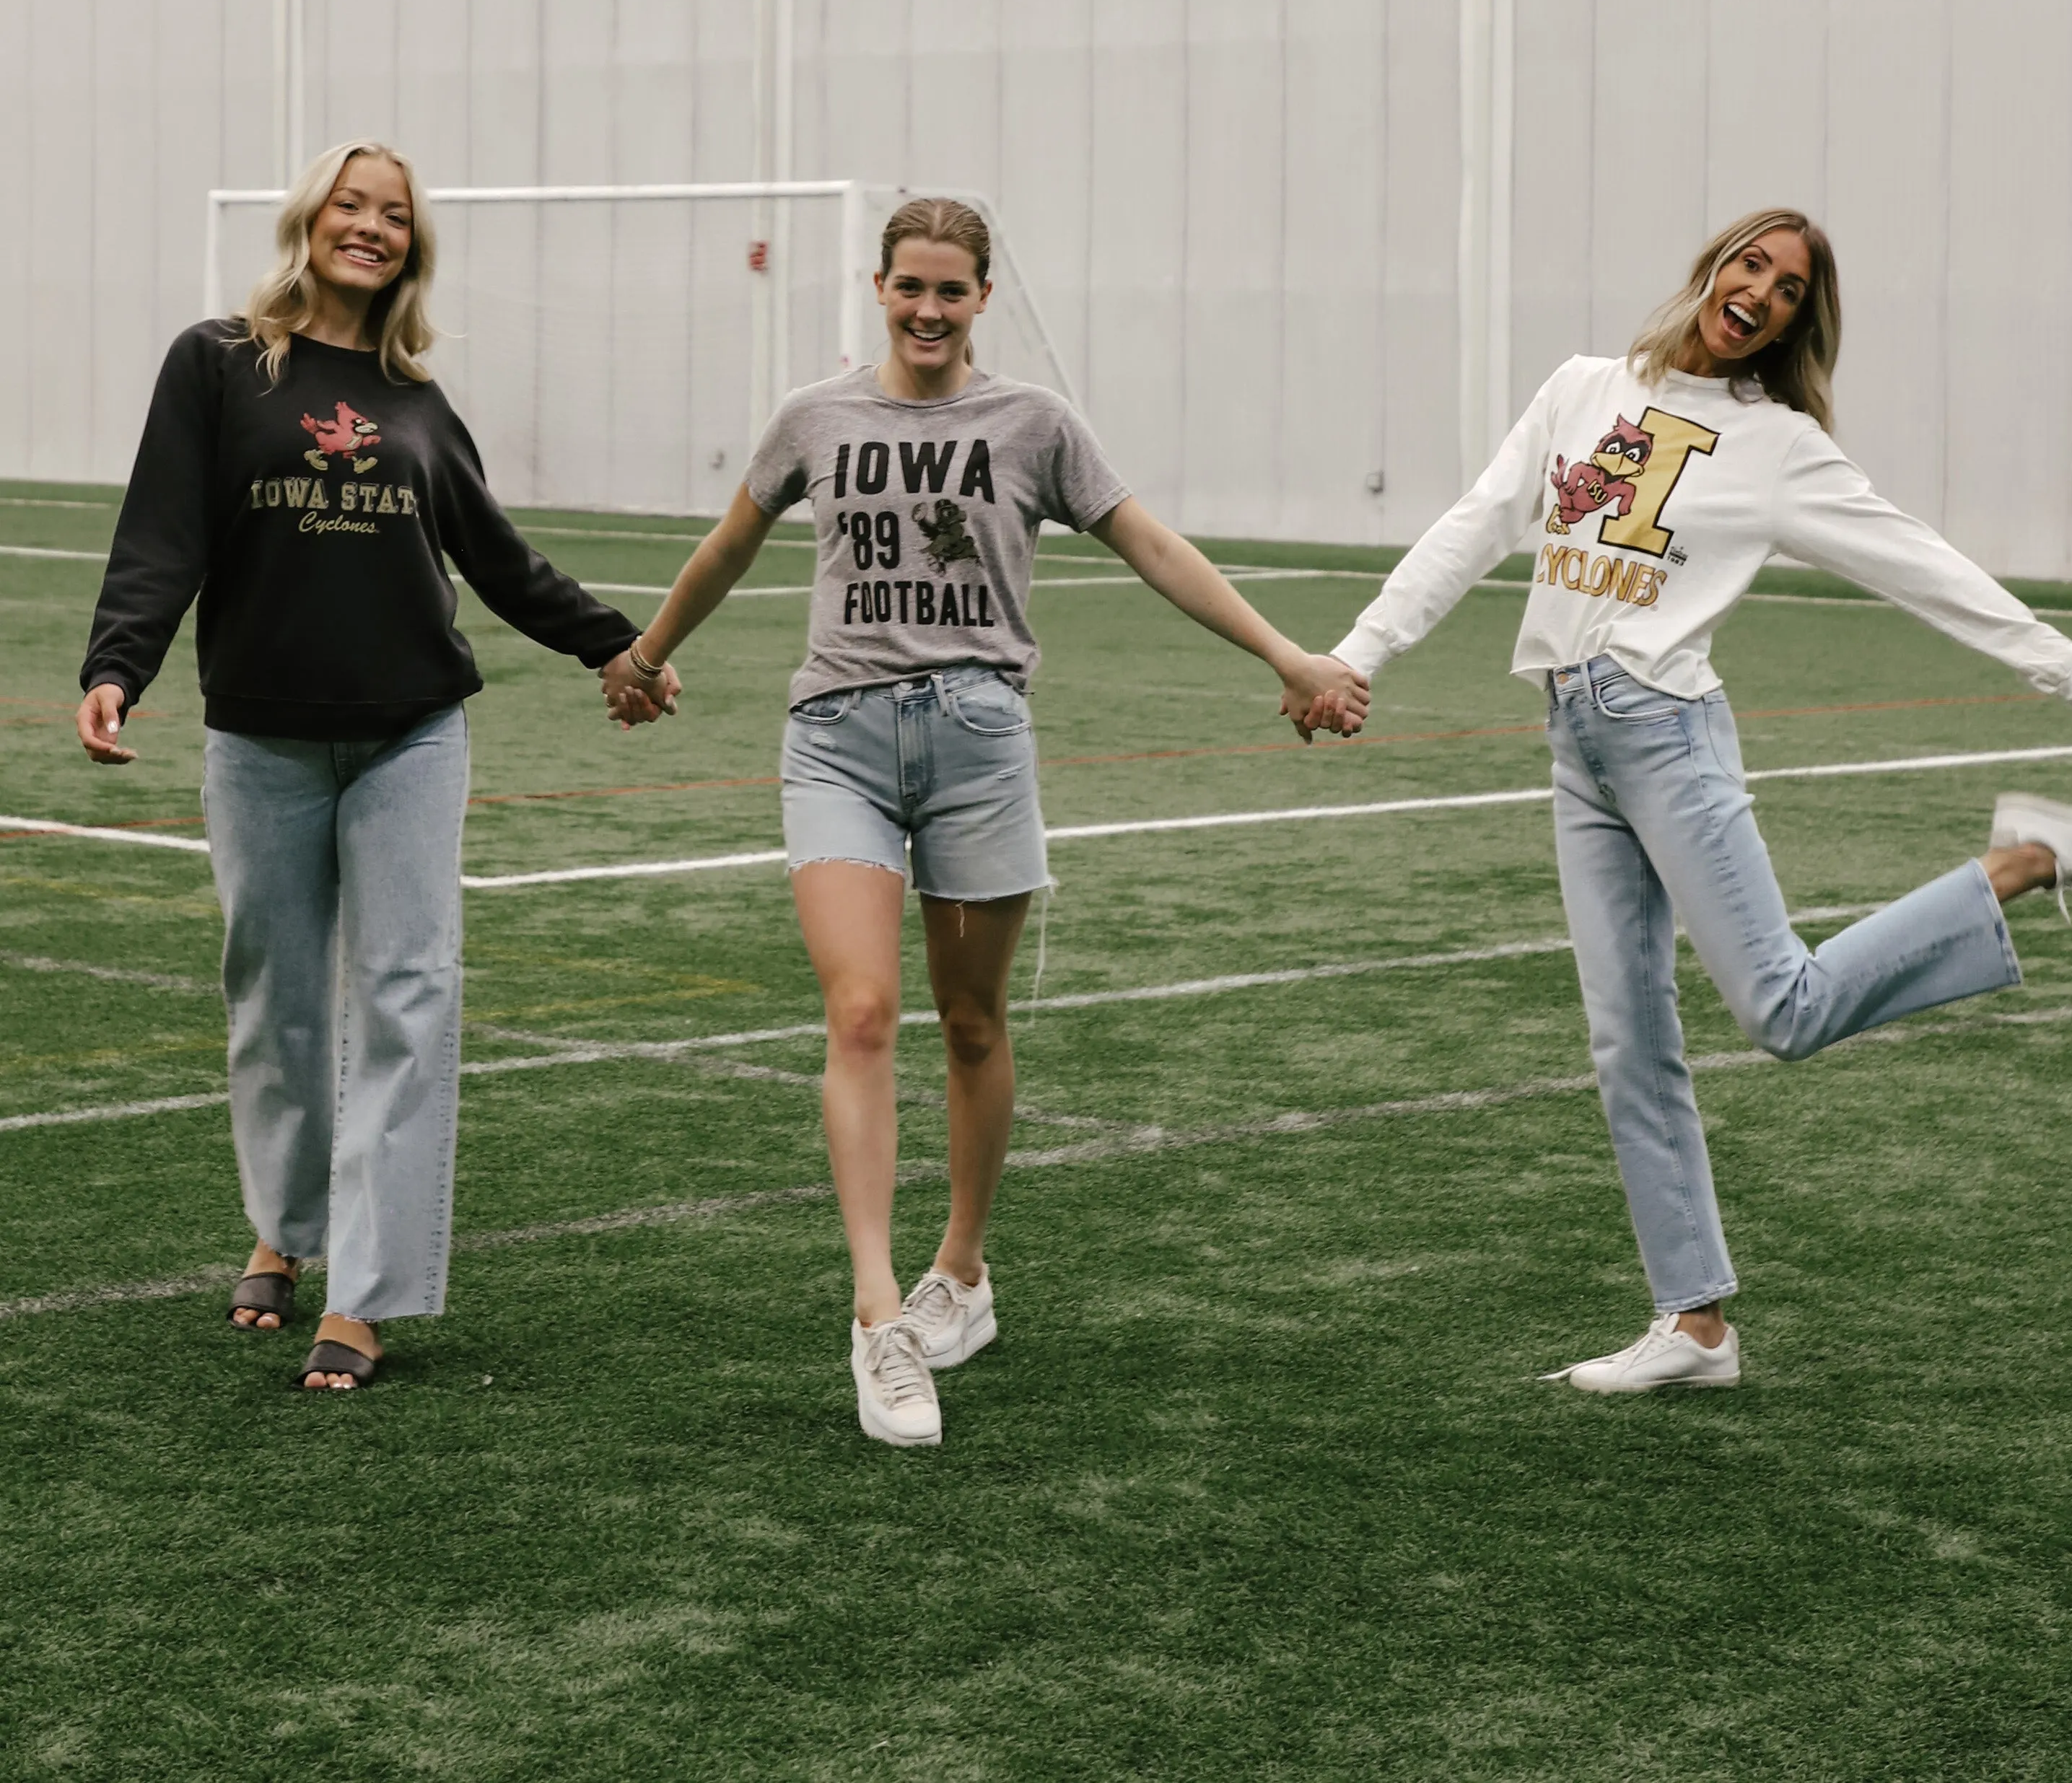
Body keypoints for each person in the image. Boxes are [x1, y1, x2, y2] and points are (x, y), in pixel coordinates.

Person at [1312, 206, 2072, 1394]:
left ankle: (2018, 862)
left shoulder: (1776, 447)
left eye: (1785, 288)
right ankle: (1695, 1327)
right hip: (1576, 740)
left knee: (1781, 1008)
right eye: (1749, 264)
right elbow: (1476, 523)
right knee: (1629, 1043)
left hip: (1668, 735)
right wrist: (1360, 652)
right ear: (1712, 268)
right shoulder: (1580, 387)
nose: (1759, 292)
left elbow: (1923, 566)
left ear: (1794, 323)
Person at [629, 191, 1365, 1447]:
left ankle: (959, 1276)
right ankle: (877, 1323)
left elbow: (1151, 544)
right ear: (878, 287)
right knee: (859, 1013)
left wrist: (1287, 657)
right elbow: (726, 547)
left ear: (980, 298)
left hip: (976, 739)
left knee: (971, 1021)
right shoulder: (815, 416)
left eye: (950, 291)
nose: (927, 310)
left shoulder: (1034, 423)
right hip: (837, 739)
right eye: (908, 287)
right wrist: (641, 654)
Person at [76, 140, 678, 1391]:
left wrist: (620, 648)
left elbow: (499, 558)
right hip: (261, 738)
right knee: (277, 1001)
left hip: (412, 732)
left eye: (393, 214)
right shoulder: (218, 364)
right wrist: (117, 665)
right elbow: (161, 533)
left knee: (408, 996)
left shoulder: (414, 400)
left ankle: (365, 1289)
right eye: (351, 204)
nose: (371, 226)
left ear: (412, 244)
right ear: (309, 219)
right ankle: (287, 1232)